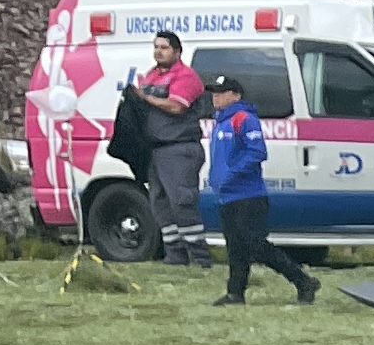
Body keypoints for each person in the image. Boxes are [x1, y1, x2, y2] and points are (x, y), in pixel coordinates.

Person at [198, 72, 316, 306]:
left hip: (248, 195)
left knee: (256, 246)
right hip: (227, 195)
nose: (216, 97)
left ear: (236, 95)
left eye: (221, 93)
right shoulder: (220, 121)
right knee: (234, 247)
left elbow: (257, 151)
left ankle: (302, 280)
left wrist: (232, 174)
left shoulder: (243, 118)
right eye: (214, 93)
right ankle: (235, 293)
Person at [128, 32, 207, 266]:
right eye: (156, 47)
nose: (158, 51)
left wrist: (146, 97)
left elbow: (176, 106)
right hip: (156, 150)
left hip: (179, 149)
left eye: (164, 47)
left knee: (182, 203)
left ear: (177, 51)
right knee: (160, 204)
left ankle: (200, 259)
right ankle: (175, 256)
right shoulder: (152, 76)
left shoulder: (186, 76)